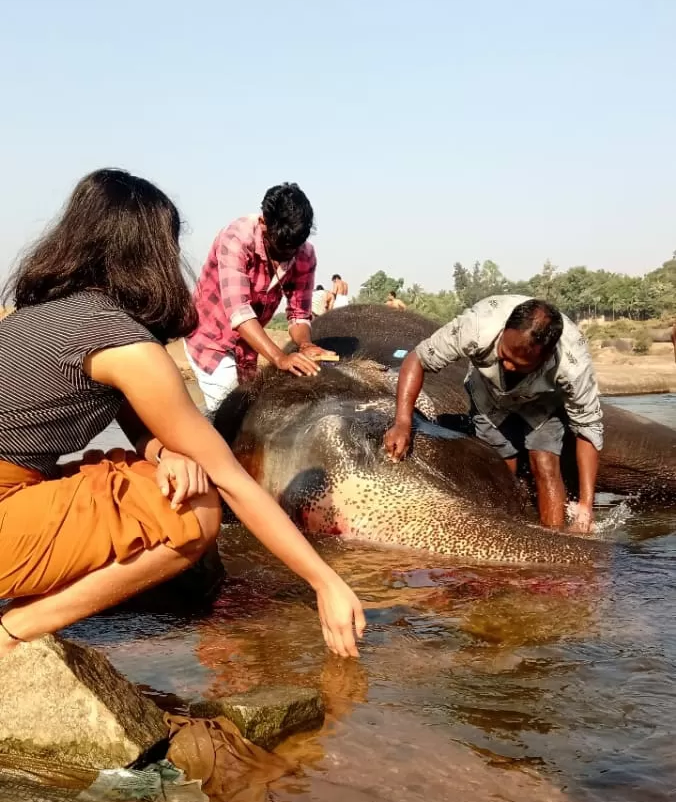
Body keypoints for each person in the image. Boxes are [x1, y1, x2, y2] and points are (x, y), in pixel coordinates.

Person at [0, 169, 365, 659]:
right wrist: (324, 581)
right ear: (151, 253)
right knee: (196, 510)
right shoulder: (125, 347)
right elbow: (231, 479)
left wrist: (167, 451)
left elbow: (134, 423)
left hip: (17, 484)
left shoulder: (41, 315)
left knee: (162, 475)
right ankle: (17, 628)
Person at [383, 295, 603, 534]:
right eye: (504, 354)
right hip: (487, 393)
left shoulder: (572, 364)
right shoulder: (477, 325)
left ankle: (554, 541)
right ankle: (505, 532)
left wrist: (585, 507)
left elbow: (588, 428)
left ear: (546, 356)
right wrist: (403, 422)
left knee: (545, 463)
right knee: (500, 463)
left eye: (519, 363)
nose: (508, 366)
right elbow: (417, 358)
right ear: (504, 329)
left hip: (543, 402)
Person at [185, 184, 338, 412]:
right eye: (280, 247)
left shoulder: (304, 254)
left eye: (293, 249)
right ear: (264, 222)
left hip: (248, 346)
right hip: (210, 338)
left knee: (248, 410)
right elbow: (239, 312)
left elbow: (298, 315)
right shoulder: (236, 239)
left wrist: (305, 344)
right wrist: (280, 358)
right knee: (229, 409)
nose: (287, 256)